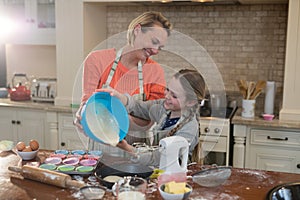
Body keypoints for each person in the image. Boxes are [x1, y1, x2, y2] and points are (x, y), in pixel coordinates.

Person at [74, 11, 173, 147]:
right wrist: (81, 115)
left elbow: (150, 120)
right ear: (137, 30)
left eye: (160, 47)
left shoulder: (155, 71)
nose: (155, 50)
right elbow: (87, 104)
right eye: (154, 42)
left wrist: (109, 117)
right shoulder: (97, 60)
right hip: (101, 149)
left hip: (137, 152)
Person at [99, 69, 206, 167]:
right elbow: (139, 107)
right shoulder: (163, 109)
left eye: (174, 96)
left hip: (175, 180)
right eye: (167, 90)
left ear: (190, 102)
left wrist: (129, 149)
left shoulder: (189, 128)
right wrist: (120, 98)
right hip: (158, 173)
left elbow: (161, 157)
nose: (167, 96)